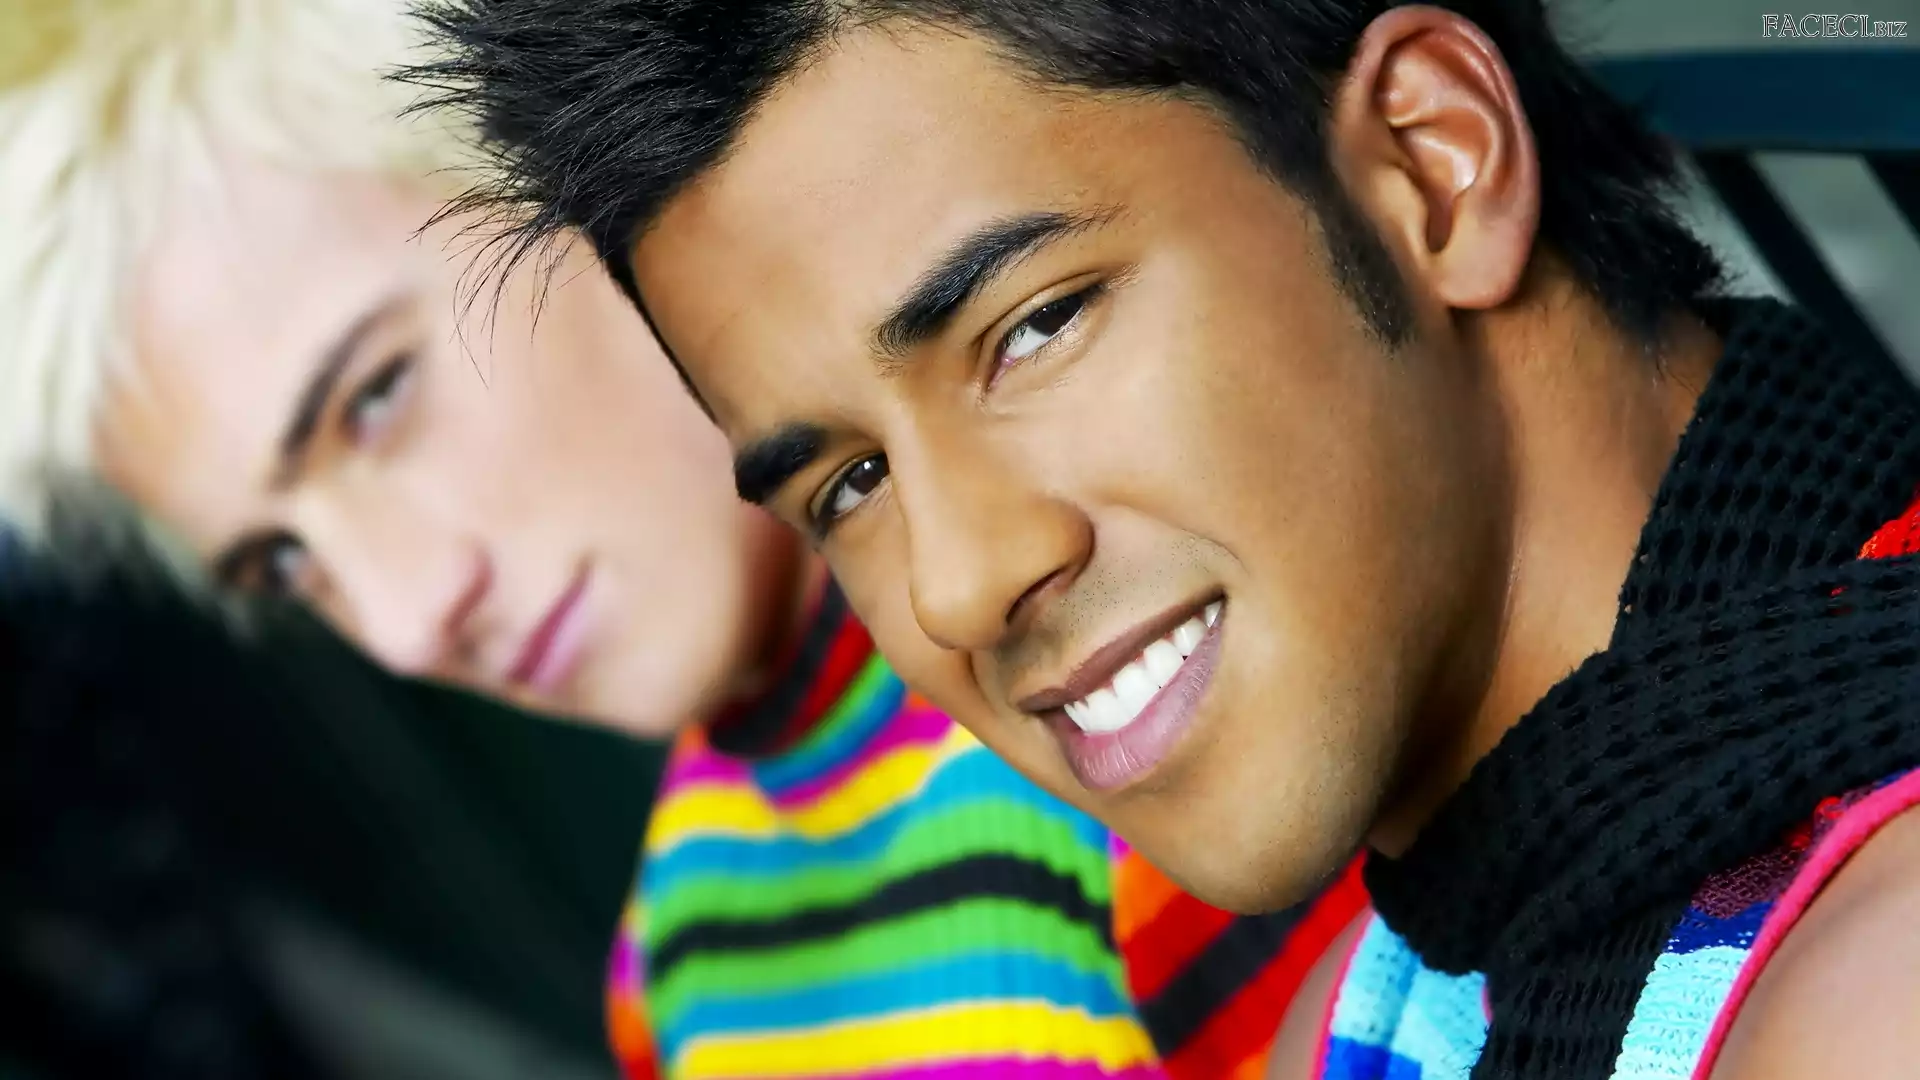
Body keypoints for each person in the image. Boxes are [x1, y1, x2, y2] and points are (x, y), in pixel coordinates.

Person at [405, 0, 1920, 1077]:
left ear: (1432, 167)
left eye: (1035, 328)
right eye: (849, 486)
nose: (957, 583)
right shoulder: (1393, 1000)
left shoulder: (1866, 999)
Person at [0, 2, 1363, 1078]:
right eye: (284, 565)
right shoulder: (678, 956)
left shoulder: (1138, 682)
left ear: (573, 171)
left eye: (376, 398)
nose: (407, 620)